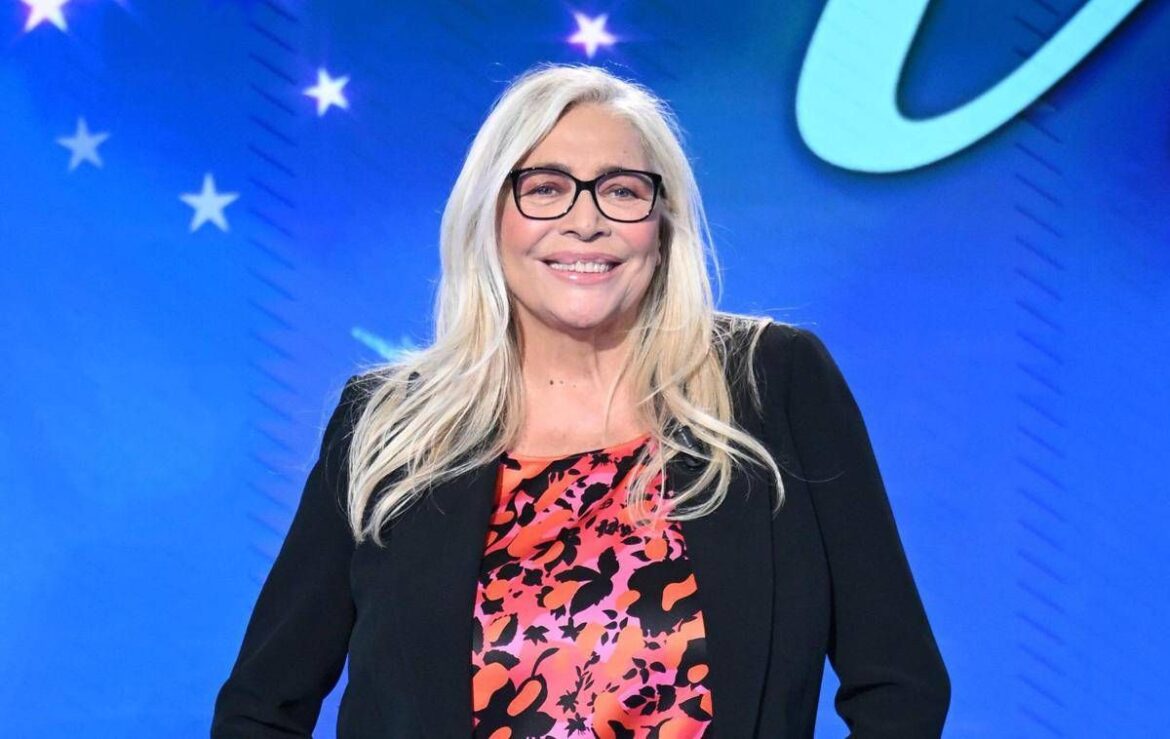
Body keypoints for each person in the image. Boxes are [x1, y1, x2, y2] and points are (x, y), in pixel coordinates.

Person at [211, 62, 950, 738]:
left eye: (622, 190)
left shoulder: (771, 382)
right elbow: (260, 708)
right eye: (545, 188)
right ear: (489, 215)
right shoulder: (388, 423)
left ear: (663, 223)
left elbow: (899, 685)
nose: (585, 220)